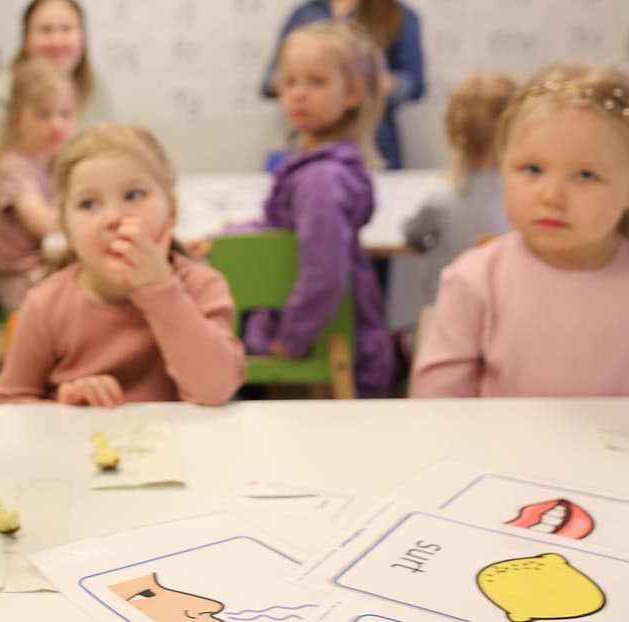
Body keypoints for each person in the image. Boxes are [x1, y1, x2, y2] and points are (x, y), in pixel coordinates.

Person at [0, 124, 245, 407]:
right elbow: (7, 402)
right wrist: (64, 405)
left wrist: (158, 286)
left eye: (133, 196)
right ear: (67, 229)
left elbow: (215, 389)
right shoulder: (46, 305)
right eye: (89, 204)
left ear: (171, 210)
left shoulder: (202, 286)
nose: (113, 217)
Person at [411, 65, 629, 397]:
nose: (551, 197)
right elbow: (438, 404)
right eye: (532, 169)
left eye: (585, 175)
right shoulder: (475, 279)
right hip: (498, 436)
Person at [242, 20, 394, 397]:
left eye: (316, 82)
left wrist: (292, 339)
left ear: (353, 92)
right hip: (318, 338)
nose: (298, 94)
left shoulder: (321, 178)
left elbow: (324, 273)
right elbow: (287, 234)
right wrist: (232, 236)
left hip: (320, 347)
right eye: (289, 82)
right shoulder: (317, 167)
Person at [0, 0, 115, 279]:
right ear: (26, 38)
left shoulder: (94, 89)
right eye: (46, 30)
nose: (58, 40)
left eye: (66, 29)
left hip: (58, 212)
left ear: (82, 36)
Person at [262, 0, 423, 170]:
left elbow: (415, 83)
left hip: (374, 146)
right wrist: (298, 80)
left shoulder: (398, 16)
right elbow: (269, 80)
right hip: (307, 145)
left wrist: (377, 84)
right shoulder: (303, 15)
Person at [403, 73, 517, 303]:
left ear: (451, 131)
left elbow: (413, 235)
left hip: (446, 308)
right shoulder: (523, 199)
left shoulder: (441, 199)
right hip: (506, 308)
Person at [0, 58, 77, 310]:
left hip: (47, 269)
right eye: (44, 114)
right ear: (16, 122)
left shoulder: (51, 162)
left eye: (65, 114)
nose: (57, 124)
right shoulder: (13, 169)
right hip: (23, 280)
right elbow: (45, 224)